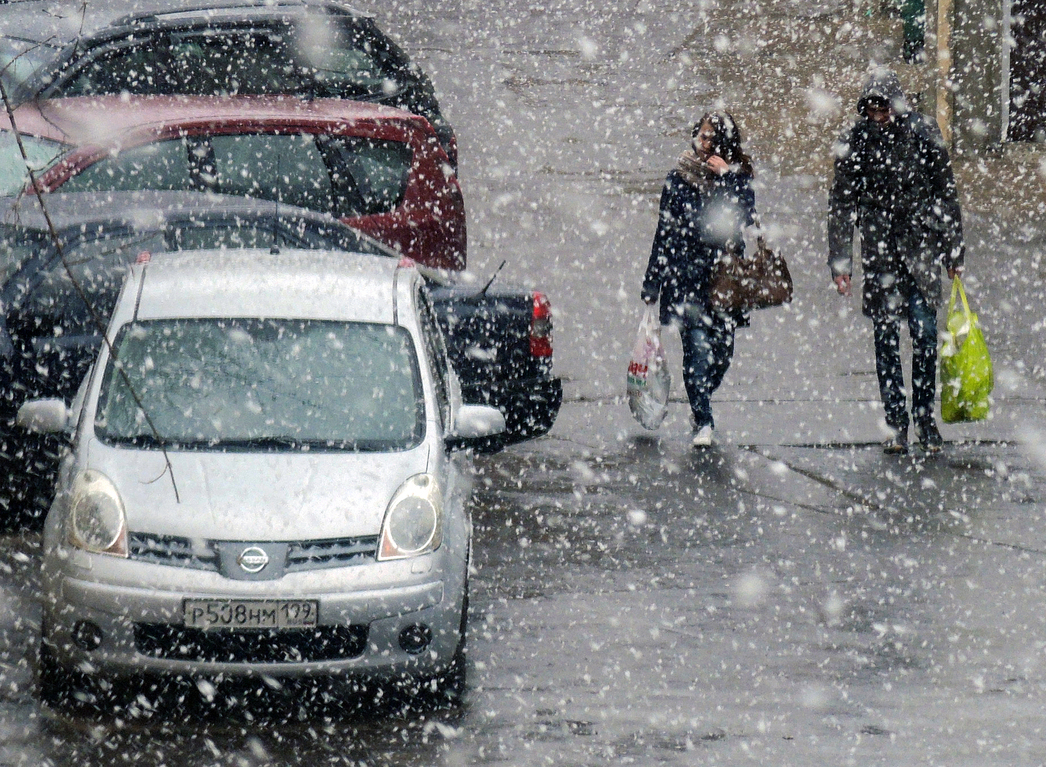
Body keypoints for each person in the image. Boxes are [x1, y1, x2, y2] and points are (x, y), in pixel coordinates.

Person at [828, 68, 965, 455]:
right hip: (880, 252)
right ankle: (895, 422)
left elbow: (944, 192)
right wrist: (841, 263)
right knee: (886, 339)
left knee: (923, 336)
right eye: (872, 108)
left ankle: (923, 418)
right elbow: (841, 203)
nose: (878, 114)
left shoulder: (922, 132)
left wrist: (952, 251)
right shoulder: (855, 141)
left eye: (884, 107)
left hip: (920, 249)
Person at [641, 111, 756, 447]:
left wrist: (727, 177)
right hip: (684, 275)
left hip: (724, 278)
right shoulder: (677, 179)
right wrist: (653, 281)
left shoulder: (737, 177)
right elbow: (663, 231)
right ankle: (702, 416)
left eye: (711, 137)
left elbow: (747, 215)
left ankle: (702, 397)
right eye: (701, 136)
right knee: (697, 350)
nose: (704, 143)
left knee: (722, 352)